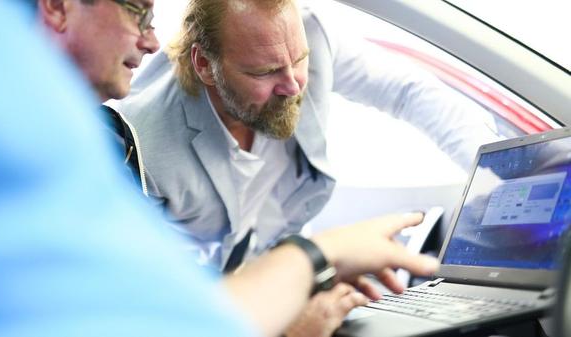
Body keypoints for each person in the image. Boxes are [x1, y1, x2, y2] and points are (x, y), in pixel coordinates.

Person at [0, 0, 437, 336]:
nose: (153, 41)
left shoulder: (97, 137)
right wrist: (312, 265)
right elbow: (149, 318)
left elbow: (408, 90)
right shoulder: (118, 143)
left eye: (299, 63)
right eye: (138, 11)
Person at [117, 0, 498, 272]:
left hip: (290, 258)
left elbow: (408, 92)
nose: (294, 85)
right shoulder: (141, 145)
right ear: (204, 64)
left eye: (299, 61)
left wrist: (497, 176)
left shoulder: (310, 34)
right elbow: (166, 295)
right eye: (264, 72)